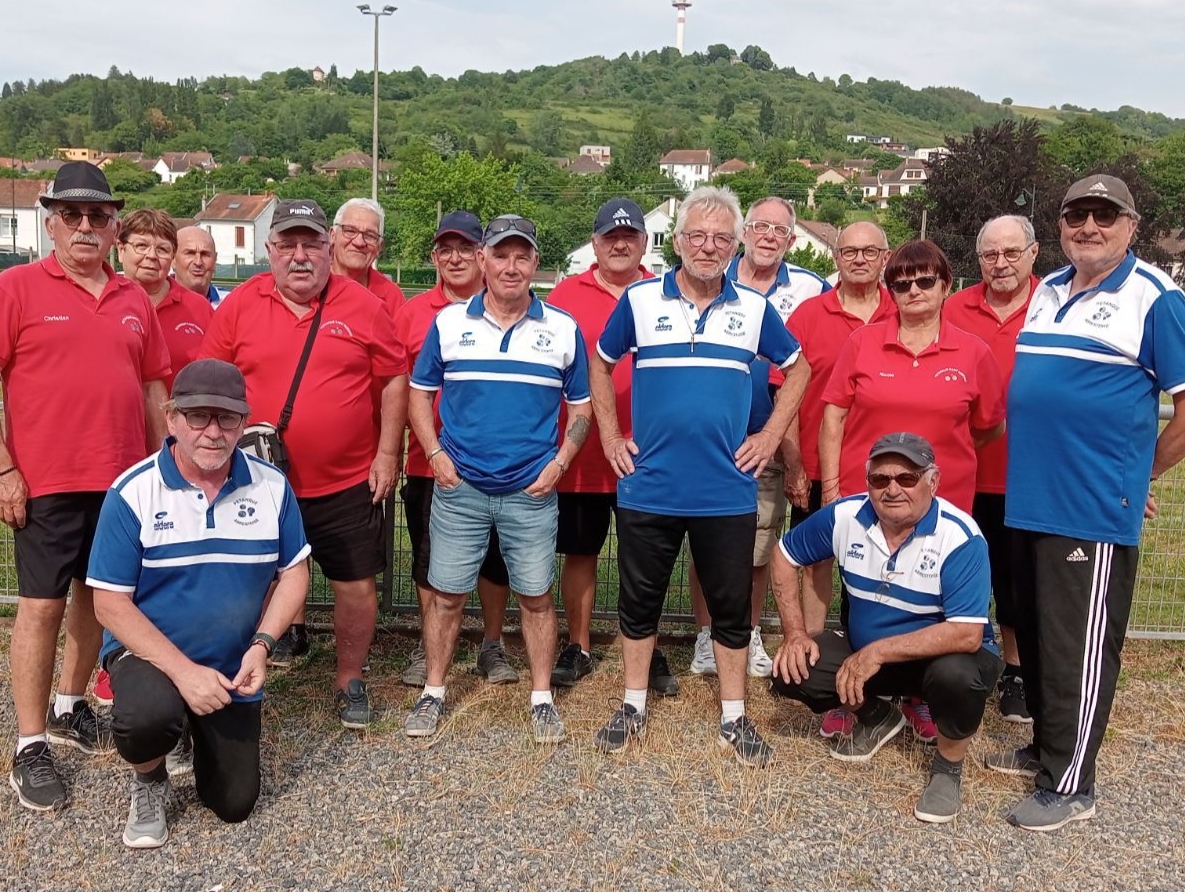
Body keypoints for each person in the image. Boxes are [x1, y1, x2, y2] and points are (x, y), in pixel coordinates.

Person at [990, 175, 1185, 831]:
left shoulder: (1153, 298)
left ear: (1130, 225)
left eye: (1105, 215)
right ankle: (1048, 748)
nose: (1089, 227)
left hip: (1089, 509)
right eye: (1077, 215)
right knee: (1042, 640)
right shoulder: (1046, 290)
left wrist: (1139, 474)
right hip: (1030, 500)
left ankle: (1071, 786)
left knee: (1079, 646)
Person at [590, 185, 808, 767]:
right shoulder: (638, 302)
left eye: (719, 237)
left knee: (732, 610)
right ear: (678, 241)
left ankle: (734, 718)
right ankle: (633, 703)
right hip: (650, 484)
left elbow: (799, 367)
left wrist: (767, 437)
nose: (707, 247)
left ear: (734, 243)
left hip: (725, 488)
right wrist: (611, 434)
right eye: (697, 235)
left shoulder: (755, 310)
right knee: (640, 602)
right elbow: (600, 361)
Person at [201, 198, 408, 729]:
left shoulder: (363, 306)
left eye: (311, 244)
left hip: (345, 480)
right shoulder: (241, 305)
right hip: (257, 482)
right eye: (287, 244)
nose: (300, 256)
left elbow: (392, 380)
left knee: (355, 585)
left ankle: (349, 678)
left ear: (329, 247)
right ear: (269, 250)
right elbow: (208, 384)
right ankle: (233, 673)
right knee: (238, 584)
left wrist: (388, 453)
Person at [2, 162, 170, 812]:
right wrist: (4, 469)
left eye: (97, 216)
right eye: (71, 215)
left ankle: (72, 706)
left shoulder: (133, 299)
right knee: (41, 608)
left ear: (112, 228)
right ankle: (29, 742)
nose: (84, 226)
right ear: (51, 222)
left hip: (123, 483)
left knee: (97, 604)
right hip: (45, 482)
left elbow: (156, 389)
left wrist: (164, 472)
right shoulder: (16, 287)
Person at [88, 359, 310, 848]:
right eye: (197, 417)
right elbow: (108, 603)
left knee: (235, 803)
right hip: (151, 657)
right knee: (146, 718)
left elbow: (295, 572)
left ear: (244, 420)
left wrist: (262, 645)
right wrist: (185, 674)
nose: (213, 432)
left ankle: (194, 728)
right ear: (171, 419)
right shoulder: (133, 492)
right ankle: (149, 778)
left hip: (232, 663)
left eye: (227, 418)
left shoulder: (271, 487)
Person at [405, 214, 591, 744]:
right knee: (445, 595)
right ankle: (434, 691)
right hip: (460, 489)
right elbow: (419, 394)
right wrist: (435, 452)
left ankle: (540, 698)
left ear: (536, 264)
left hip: (530, 492)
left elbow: (580, 407)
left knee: (535, 596)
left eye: (522, 256)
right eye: (501, 255)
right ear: (483, 260)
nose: (511, 266)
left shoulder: (561, 328)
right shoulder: (447, 324)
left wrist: (560, 464)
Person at [819, 238, 1005, 746]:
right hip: (869, 500)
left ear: (947, 285)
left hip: (941, 506)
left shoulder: (973, 352)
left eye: (925, 281)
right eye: (901, 283)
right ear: (890, 289)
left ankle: (921, 693)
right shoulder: (862, 343)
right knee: (861, 593)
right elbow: (833, 412)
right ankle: (862, 696)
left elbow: (987, 426)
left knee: (936, 603)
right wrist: (834, 486)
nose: (914, 291)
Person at [769, 432, 1003, 824]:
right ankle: (877, 716)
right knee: (791, 670)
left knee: (957, 676)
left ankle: (947, 769)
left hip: (942, 658)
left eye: (906, 479)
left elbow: (967, 634)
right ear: (868, 483)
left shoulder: (960, 537)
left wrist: (876, 652)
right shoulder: (846, 516)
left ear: (933, 481)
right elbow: (783, 555)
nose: (892, 489)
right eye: (880, 480)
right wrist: (794, 633)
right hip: (871, 656)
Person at [688, 196, 831, 680]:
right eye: (760, 226)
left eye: (780, 230)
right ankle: (706, 638)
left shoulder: (811, 290)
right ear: (743, 232)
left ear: (792, 240)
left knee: (756, 546)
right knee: (704, 540)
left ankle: (744, 636)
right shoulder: (708, 276)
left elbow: (807, 367)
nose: (769, 236)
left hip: (765, 440)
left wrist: (783, 445)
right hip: (708, 438)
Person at [546, 198, 676, 694]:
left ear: (644, 242)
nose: (619, 244)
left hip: (648, 453)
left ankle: (648, 646)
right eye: (608, 237)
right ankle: (578, 645)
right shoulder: (564, 295)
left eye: (630, 236)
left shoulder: (664, 292)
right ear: (595, 243)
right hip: (584, 455)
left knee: (646, 558)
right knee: (580, 552)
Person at [392, 211, 516, 687]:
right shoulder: (412, 313)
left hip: (499, 467)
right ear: (434, 257)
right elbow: (401, 388)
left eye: (466, 248)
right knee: (430, 562)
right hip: (432, 464)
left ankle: (491, 644)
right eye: (446, 249)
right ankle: (431, 650)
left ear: (483, 255)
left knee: (494, 560)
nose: (456, 257)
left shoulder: (510, 308)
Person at [783, 221, 896, 739]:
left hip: (893, 483)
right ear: (836, 255)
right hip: (819, 471)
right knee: (815, 570)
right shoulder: (809, 314)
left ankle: (886, 681)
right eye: (848, 251)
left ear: (885, 257)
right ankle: (819, 676)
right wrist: (795, 464)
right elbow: (782, 393)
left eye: (868, 251)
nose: (857, 259)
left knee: (883, 581)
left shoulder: (908, 311)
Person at [943, 215, 1039, 725]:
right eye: (989, 255)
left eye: (1011, 253)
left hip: (1032, 473)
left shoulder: (1054, 306)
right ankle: (957, 663)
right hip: (964, 475)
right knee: (958, 575)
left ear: (1033, 253)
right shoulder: (954, 307)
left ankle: (1018, 672)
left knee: (1017, 580)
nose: (1000, 263)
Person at [118, 210, 214, 391]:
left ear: (173, 257)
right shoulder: (103, 304)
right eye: (141, 246)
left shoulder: (199, 308)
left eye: (162, 249)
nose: (152, 255)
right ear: (121, 250)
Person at [329, 197, 406, 317]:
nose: (359, 242)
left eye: (370, 235)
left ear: (379, 247)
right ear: (332, 236)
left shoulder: (392, 297)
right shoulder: (311, 286)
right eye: (350, 231)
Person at [173, 226, 223, 306]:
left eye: (205, 254)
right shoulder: (154, 303)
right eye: (190, 253)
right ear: (173, 259)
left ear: (215, 260)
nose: (198, 262)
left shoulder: (232, 303)